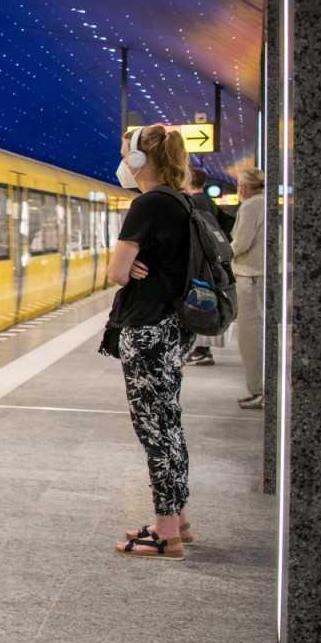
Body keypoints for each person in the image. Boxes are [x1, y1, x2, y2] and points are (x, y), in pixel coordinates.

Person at [108, 125, 195, 559]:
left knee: (154, 430)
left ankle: (165, 533)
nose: (122, 157)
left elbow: (117, 273)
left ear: (142, 159)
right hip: (173, 327)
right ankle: (178, 518)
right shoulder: (182, 201)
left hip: (146, 330)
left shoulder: (148, 203)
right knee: (170, 424)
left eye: (126, 150)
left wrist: (130, 261)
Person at [231, 167, 266, 408]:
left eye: (239, 185)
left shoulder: (251, 205)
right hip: (259, 276)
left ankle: (258, 389)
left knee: (250, 337)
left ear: (245, 187)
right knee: (257, 335)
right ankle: (260, 388)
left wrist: (221, 254)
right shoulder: (266, 203)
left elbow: (241, 243)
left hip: (250, 278)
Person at [182, 167, 220, 366]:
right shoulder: (208, 201)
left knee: (197, 304)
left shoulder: (195, 202)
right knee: (203, 302)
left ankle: (201, 349)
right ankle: (202, 349)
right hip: (206, 261)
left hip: (199, 263)